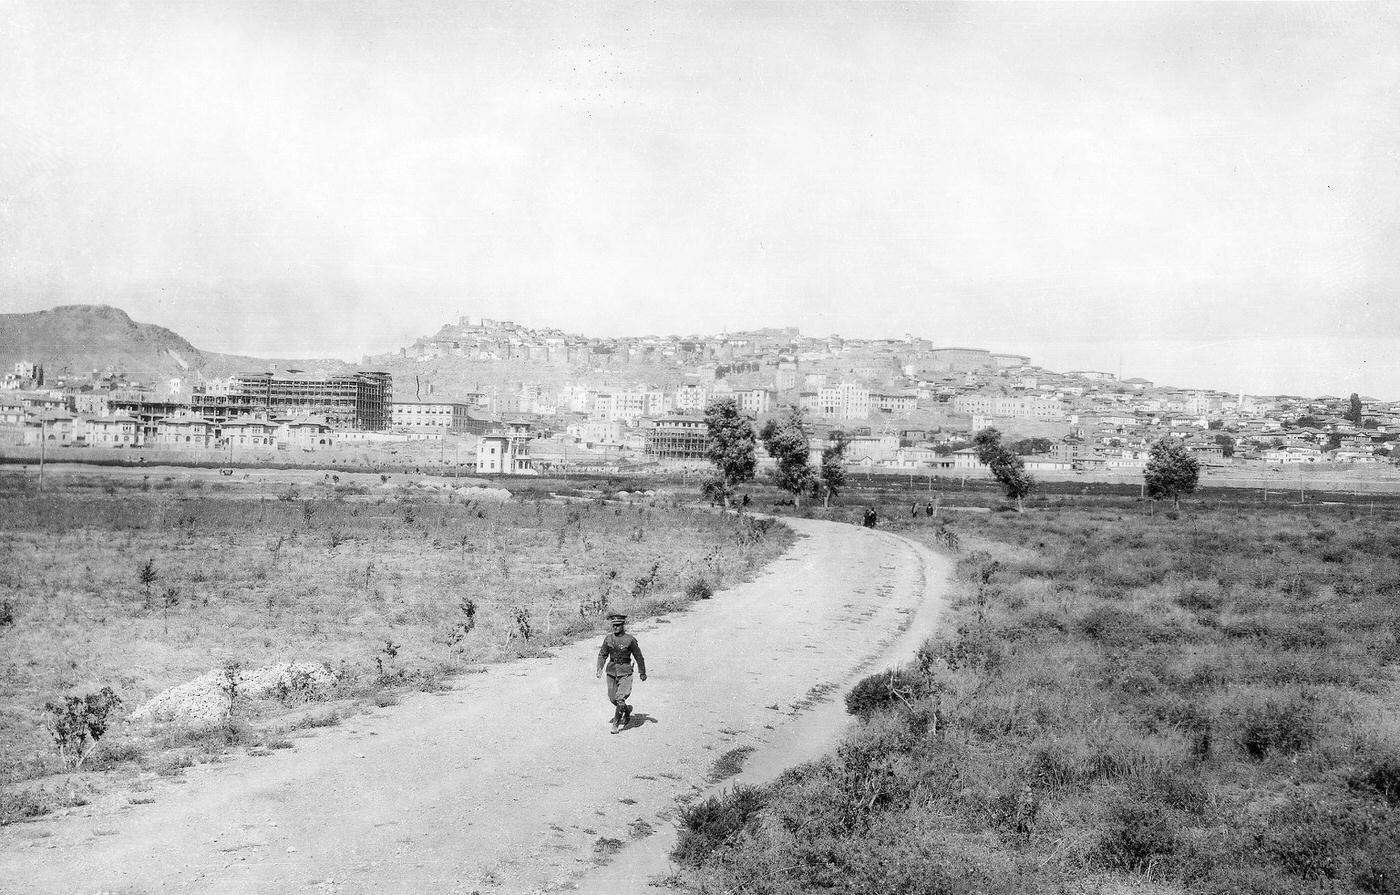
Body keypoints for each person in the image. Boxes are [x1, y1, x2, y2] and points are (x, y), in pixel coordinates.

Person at [596, 613, 646, 733]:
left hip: (625, 672)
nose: (615, 628)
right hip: (611, 671)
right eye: (614, 625)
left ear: (623, 625)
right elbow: (603, 654)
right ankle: (627, 710)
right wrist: (599, 668)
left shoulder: (630, 640)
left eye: (618, 625)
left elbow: (638, 656)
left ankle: (616, 725)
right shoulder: (608, 638)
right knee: (613, 698)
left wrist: (642, 672)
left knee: (619, 698)